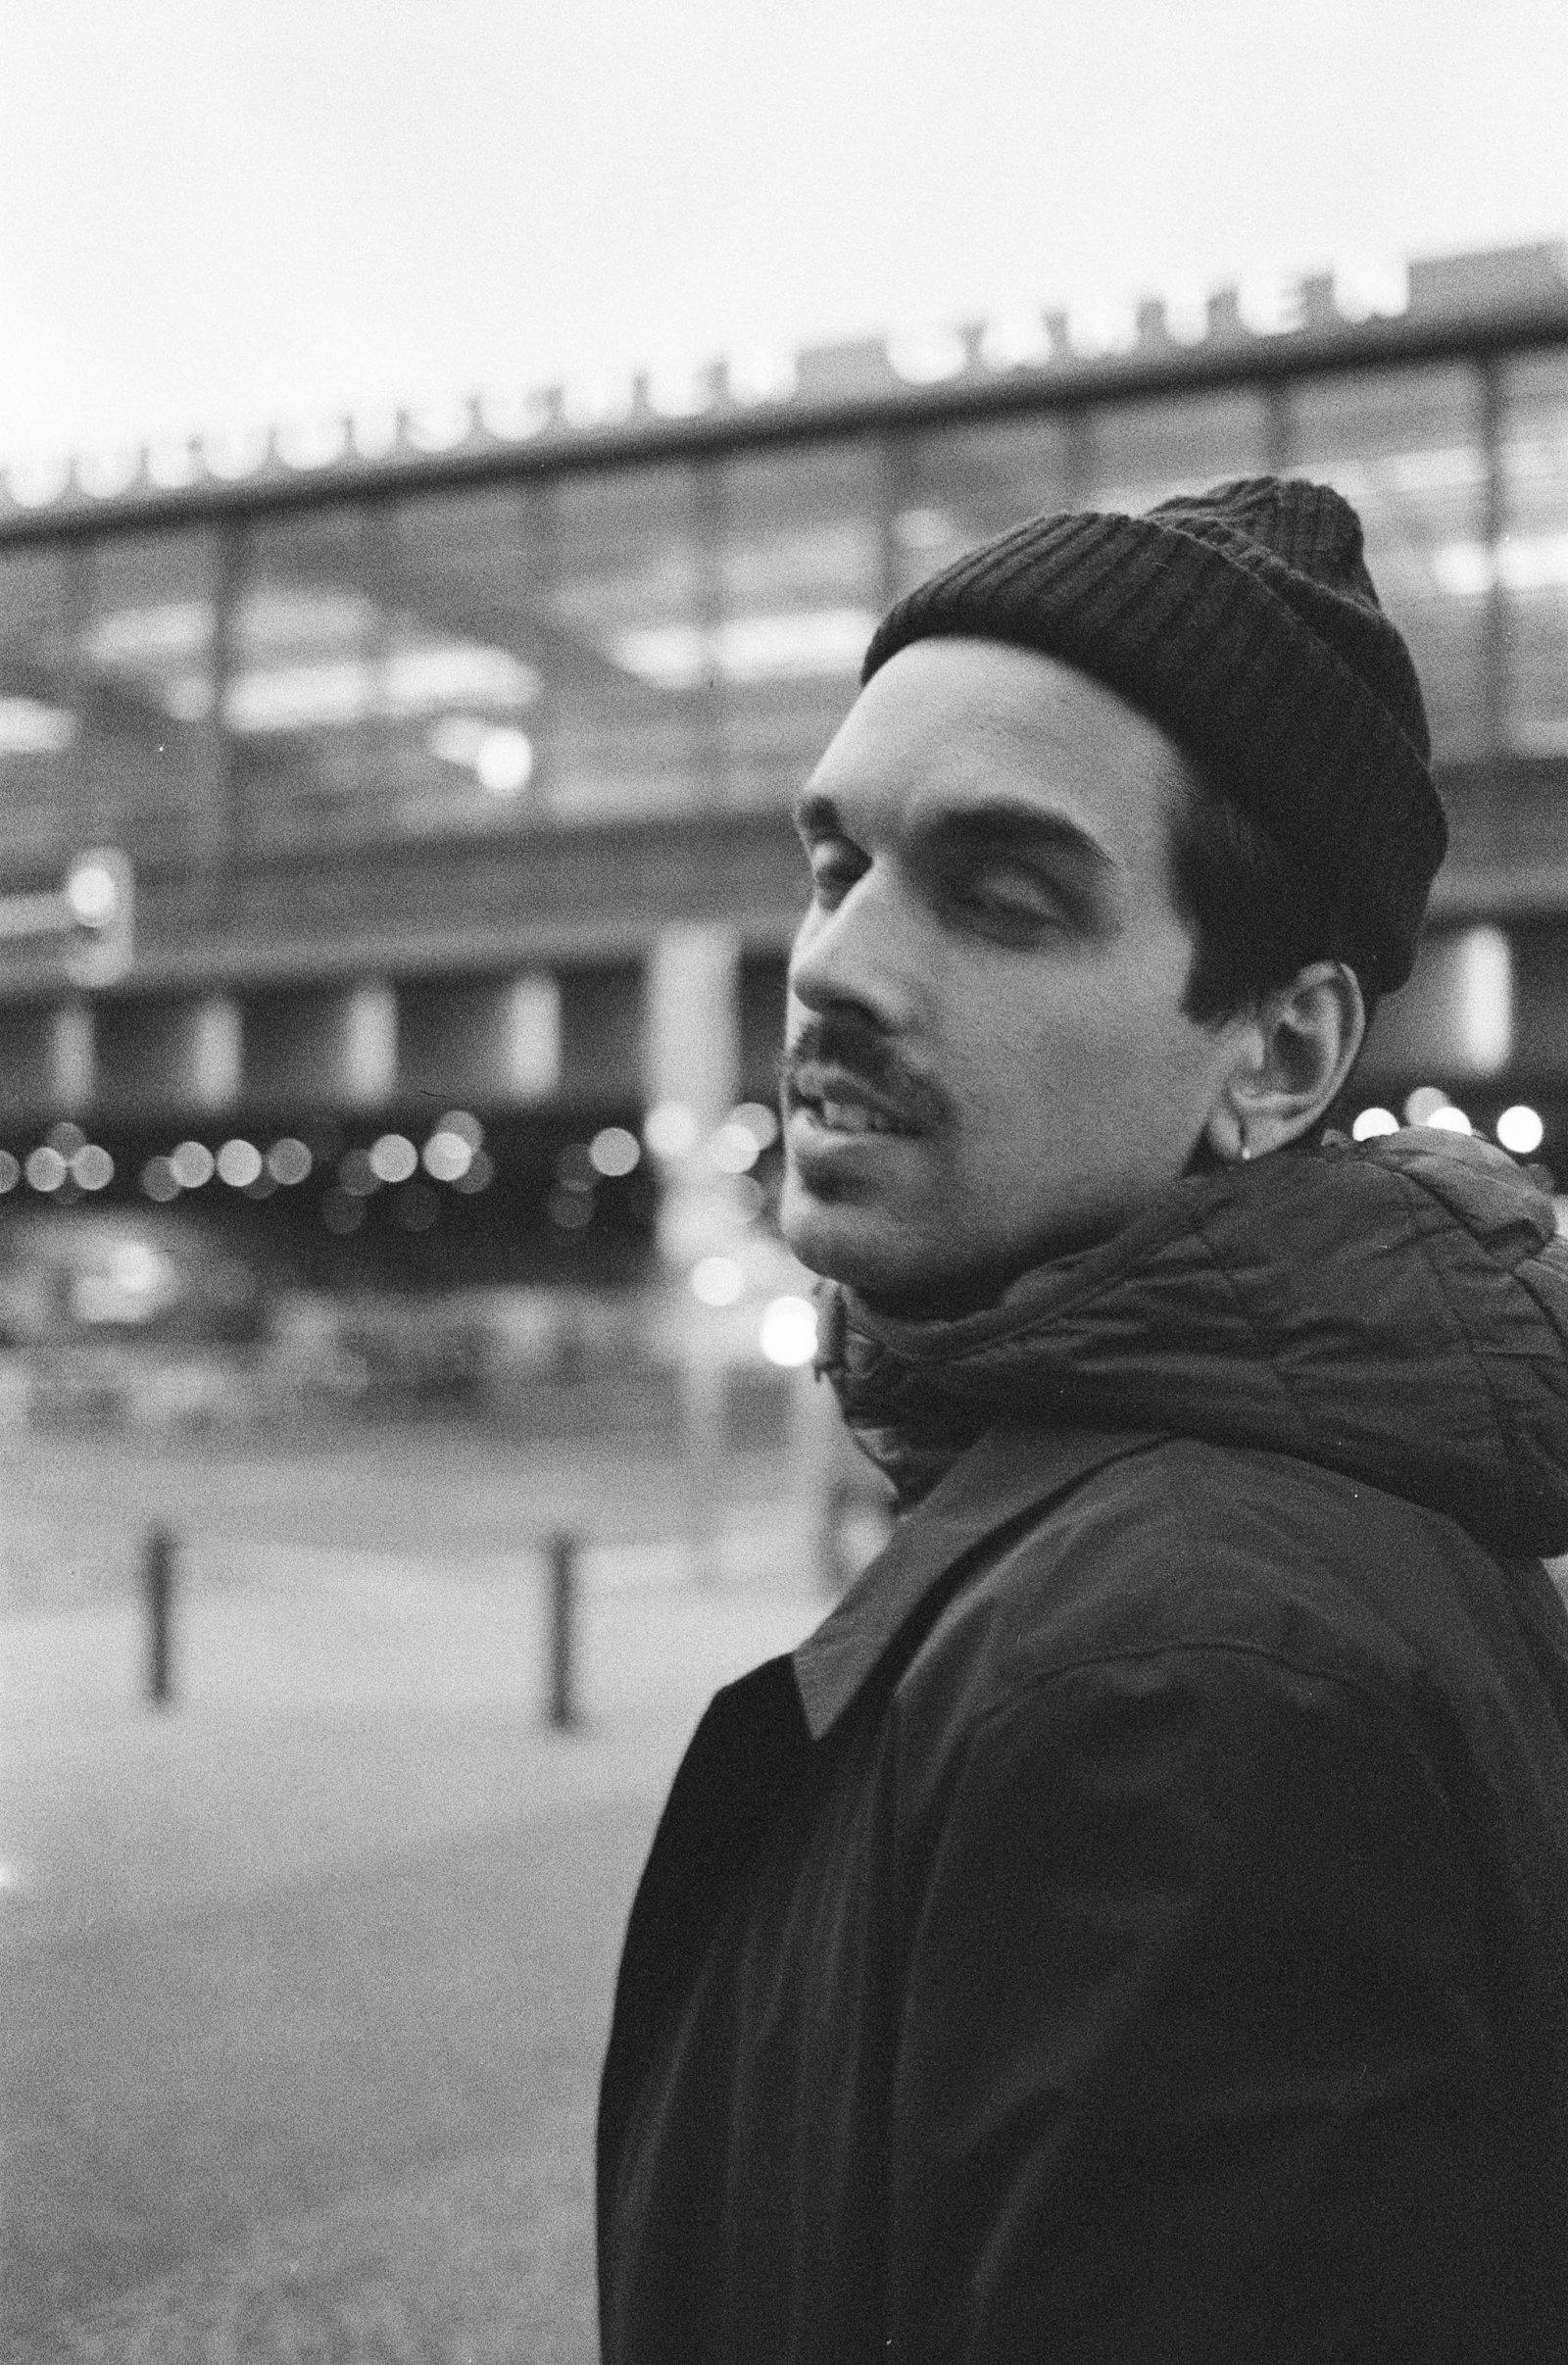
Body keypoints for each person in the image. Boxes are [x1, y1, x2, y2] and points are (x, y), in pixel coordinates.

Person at [597, 477, 1568, 2360]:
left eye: (1001, 898)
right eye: (836, 867)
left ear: (1276, 1053)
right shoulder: (1230, 1551)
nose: (835, 967)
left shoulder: (1190, 1668)